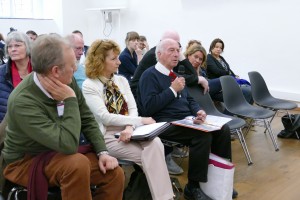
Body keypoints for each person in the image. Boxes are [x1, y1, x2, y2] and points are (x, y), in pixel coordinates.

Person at [1, 34, 124, 200]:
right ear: (55, 71)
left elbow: (86, 118)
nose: (76, 70)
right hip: (25, 161)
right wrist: (70, 100)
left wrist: (103, 152)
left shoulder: (66, 79)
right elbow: (68, 145)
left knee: (113, 172)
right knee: (76, 165)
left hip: (58, 152)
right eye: (73, 66)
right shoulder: (23, 100)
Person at [138, 38, 234, 200]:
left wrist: (199, 111)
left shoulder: (175, 74)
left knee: (222, 130)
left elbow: (189, 100)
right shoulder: (149, 75)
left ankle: (219, 181)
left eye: (178, 50)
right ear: (159, 54)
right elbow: (148, 108)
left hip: (186, 120)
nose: (176, 54)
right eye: (171, 50)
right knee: (201, 136)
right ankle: (193, 186)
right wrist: (172, 90)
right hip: (164, 123)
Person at [82, 39, 174, 200]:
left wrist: (130, 127)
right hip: (108, 135)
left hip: (131, 129)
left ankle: (160, 197)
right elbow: (104, 117)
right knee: (153, 155)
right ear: (99, 61)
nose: (119, 62)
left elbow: (132, 109)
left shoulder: (122, 80)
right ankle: (165, 197)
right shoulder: (90, 85)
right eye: (114, 58)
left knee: (156, 144)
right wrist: (138, 121)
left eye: (118, 57)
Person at [130, 30, 209, 100]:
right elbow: (173, 77)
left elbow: (188, 74)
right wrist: (198, 79)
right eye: (172, 48)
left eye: (178, 47)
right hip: (141, 96)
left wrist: (183, 58)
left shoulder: (168, 54)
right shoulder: (155, 55)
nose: (176, 51)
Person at [206, 38, 253, 104]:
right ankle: (241, 110)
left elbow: (228, 69)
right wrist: (229, 74)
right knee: (245, 91)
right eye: (216, 47)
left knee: (249, 88)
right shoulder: (209, 58)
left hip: (227, 81)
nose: (219, 49)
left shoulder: (221, 58)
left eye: (221, 48)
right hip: (219, 86)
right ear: (211, 47)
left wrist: (234, 75)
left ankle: (248, 108)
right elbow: (216, 71)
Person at [0, 31, 32, 122]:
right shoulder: (1, 72)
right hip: (8, 126)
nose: (13, 49)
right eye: (9, 46)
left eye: (17, 45)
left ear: (27, 47)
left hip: (35, 122)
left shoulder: (39, 70)